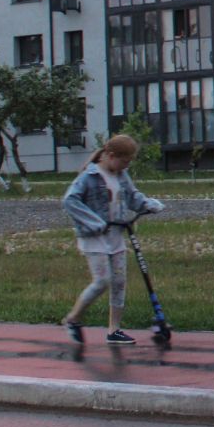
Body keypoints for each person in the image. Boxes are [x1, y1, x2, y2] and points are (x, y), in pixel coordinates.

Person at [60, 134, 164, 345]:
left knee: (119, 282)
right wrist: (93, 221)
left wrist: (150, 205)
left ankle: (114, 330)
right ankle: (73, 319)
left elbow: (133, 197)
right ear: (110, 155)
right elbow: (70, 200)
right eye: (124, 161)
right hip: (94, 239)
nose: (125, 166)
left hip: (116, 236)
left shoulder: (121, 175)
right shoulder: (89, 176)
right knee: (102, 281)